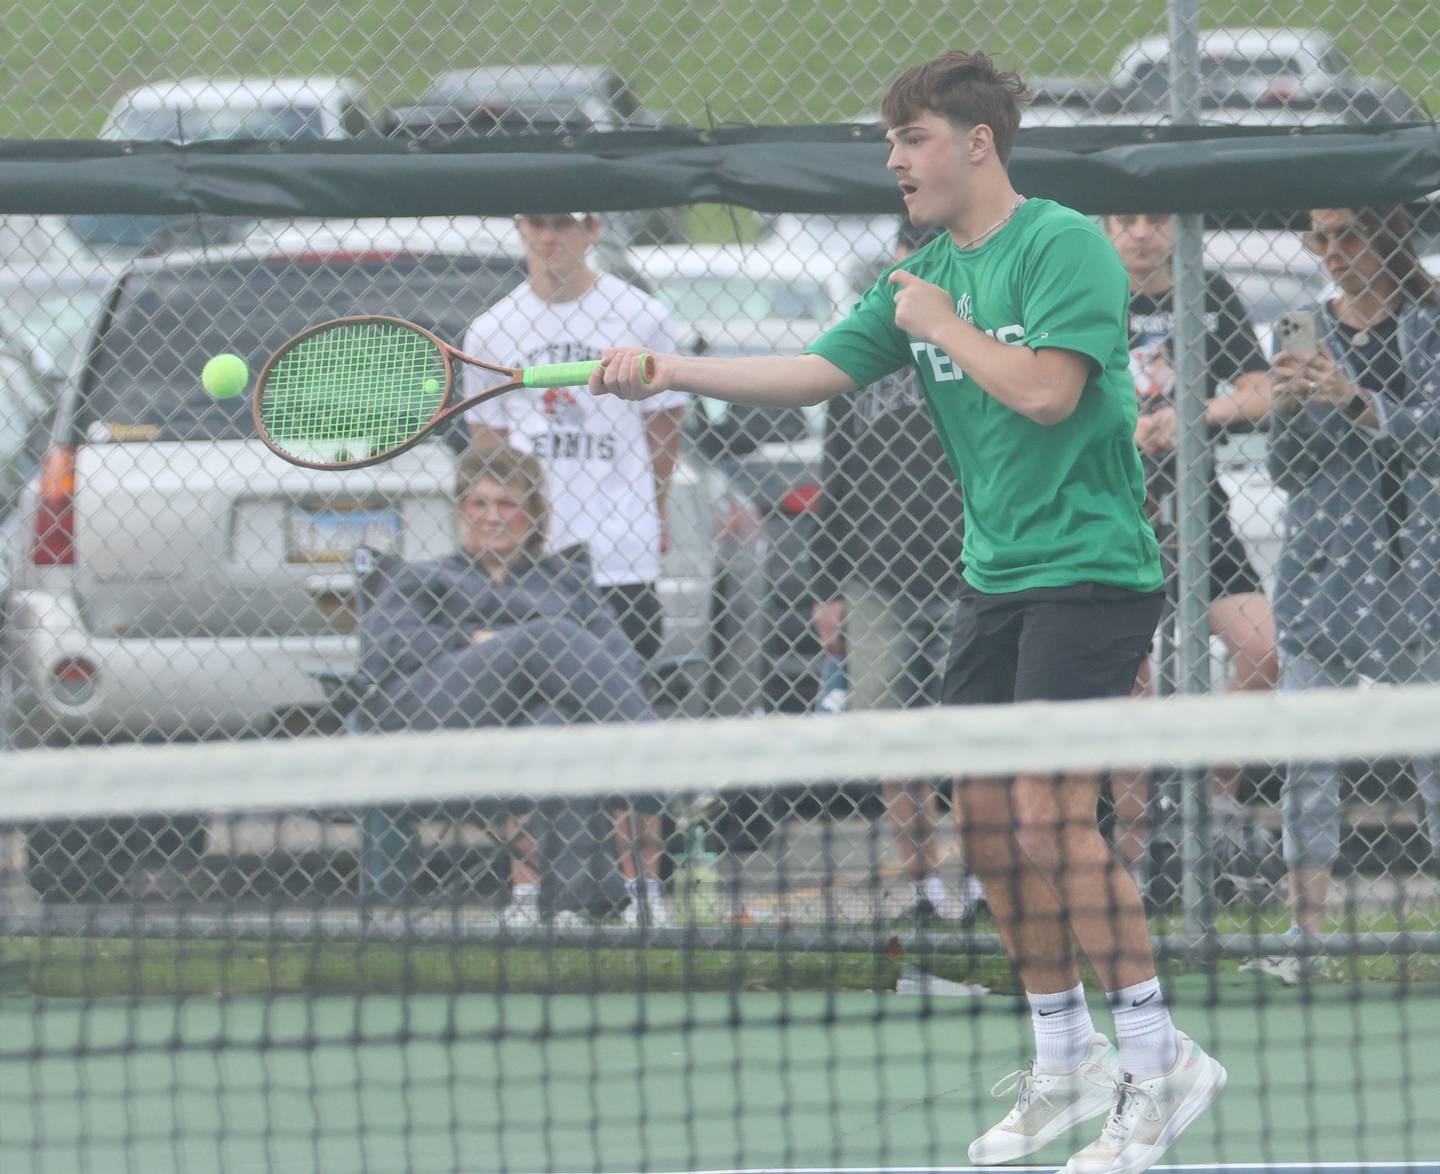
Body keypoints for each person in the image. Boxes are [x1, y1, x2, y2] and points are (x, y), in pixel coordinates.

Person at [590, 49, 1224, 1174]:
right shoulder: (917, 279)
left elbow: (1046, 393)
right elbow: (807, 371)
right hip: (997, 579)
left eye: (912, 138)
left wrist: (936, 321)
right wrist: (671, 367)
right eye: (890, 143)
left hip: (1095, 571)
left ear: (978, 143)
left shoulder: (1062, 242)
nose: (893, 160)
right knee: (983, 820)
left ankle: (1159, 1053)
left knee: (1048, 816)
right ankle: (1064, 1053)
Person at [465, 210, 689, 923]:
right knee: (526, 731)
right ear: (519, 229)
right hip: (532, 576)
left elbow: (664, 429)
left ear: (593, 228)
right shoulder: (491, 330)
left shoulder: (642, 316)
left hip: (617, 567)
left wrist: (643, 518)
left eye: (564, 223)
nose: (549, 237)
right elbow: (489, 456)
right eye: (536, 223)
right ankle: (530, 893)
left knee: (625, 730)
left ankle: (643, 891)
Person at [360, 443, 669, 927]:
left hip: (534, 729)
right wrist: (476, 641)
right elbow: (384, 651)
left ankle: (579, 904)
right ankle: (666, 766)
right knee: (546, 640)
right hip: (437, 718)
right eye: (479, 503)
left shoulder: (566, 584)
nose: (491, 517)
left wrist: (515, 652)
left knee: (552, 726)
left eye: (507, 504)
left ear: (533, 513)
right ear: (461, 510)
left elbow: (619, 661)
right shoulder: (423, 578)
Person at [1261, 204, 1440, 970]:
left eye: (1349, 236)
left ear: (1390, 238)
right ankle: (1306, 936)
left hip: (1420, 577)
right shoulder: (1301, 327)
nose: (1332, 253)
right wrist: (1291, 408)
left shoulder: (1430, 326)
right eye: (1319, 238)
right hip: (1324, 575)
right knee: (1308, 758)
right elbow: (1286, 471)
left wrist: (1355, 399)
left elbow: (1430, 439)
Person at [810, 216, 984, 926]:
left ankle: (972, 887)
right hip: (877, 579)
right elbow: (836, 479)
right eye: (903, 273)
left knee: (971, 740)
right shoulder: (863, 358)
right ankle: (919, 886)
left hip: (972, 576)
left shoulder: (978, 348)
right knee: (893, 738)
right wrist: (827, 590)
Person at [1101, 212, 1279, 885]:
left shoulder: (1208, 292)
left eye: (1155, 220)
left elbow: (1260, 394)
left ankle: (1213, 810)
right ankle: (1139, 855)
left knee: (1262, 646)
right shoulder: (1085, 291)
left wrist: (1193, 415)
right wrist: (1126, 427)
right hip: (1114, 510)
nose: (1142, 234)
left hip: (1201, 512)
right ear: (1106, 227)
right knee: (1131, 679)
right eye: (1127, 221)